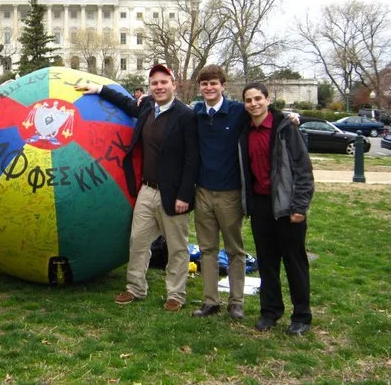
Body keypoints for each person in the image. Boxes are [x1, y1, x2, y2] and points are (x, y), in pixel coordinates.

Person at [76, 64, 198, 311]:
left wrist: (185, 195)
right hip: (147, 189)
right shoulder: (146, 107)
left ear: (174, 84)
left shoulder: (186, 116)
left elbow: (192, 159)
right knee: (138, 242)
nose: (159, 87)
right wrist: (99, 88)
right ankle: (135, 288)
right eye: (154, 83)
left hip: (174, 193)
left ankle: (175, 294)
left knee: (176, 247)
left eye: (164, 82)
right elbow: (125, 103)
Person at [239, 82, 314, 335]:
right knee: (268, 264)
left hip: (287, 206)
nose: (253, 104)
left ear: (268, 100)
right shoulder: (244, 130)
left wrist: (300, 206)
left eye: (258, 99)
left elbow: (303, 170)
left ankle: (301, 316)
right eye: (248, 100)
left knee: (295, 263)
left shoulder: (285, 128)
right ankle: (270, 311)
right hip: (260, 206)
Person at [191, 65, 248, 319]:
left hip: (230, 194)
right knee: (207, 249)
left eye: (213, 83)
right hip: (203, 192)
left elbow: (264, 114)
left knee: (235, 250)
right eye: (204, 84)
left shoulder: (237, 111)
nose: (209, 88)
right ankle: (211, 301)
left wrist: (290, 119)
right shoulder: (197, 113)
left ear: (223, 85)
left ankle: (236, 301)